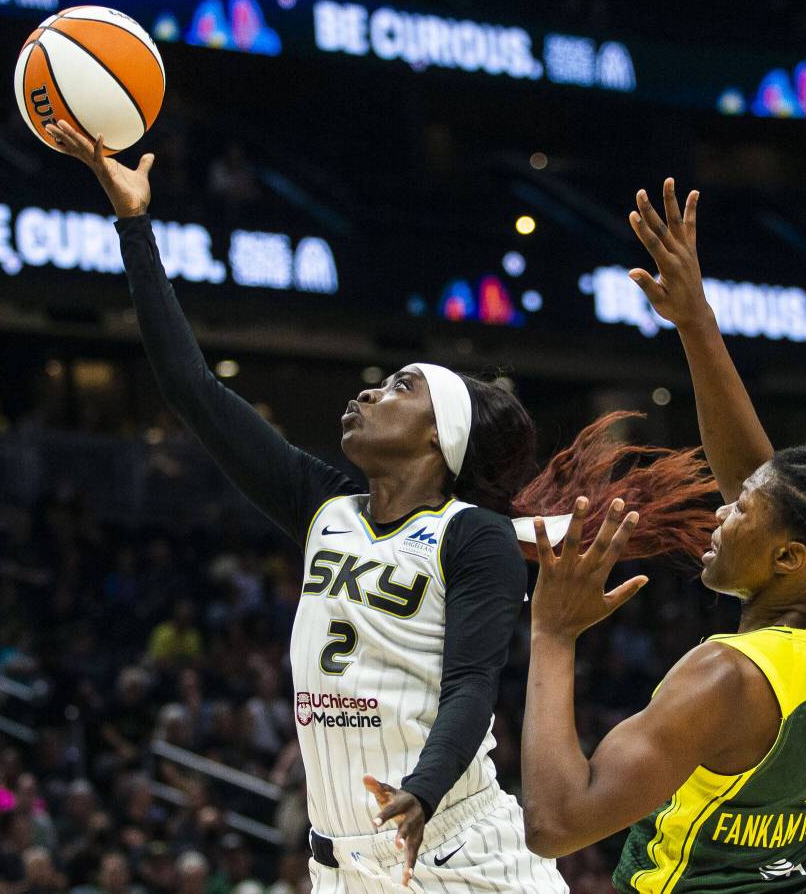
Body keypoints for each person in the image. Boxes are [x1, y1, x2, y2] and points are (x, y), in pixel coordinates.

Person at [48, 123, 717, 893]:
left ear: (441, 436)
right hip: (342, 867)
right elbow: (191, 390)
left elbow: (471, 687)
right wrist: (133, 221)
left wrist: (423, 790)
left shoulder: (473, 538)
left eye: (402, 386)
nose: (370, 391)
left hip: (462, 854)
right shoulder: (323, 506)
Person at [520, 179, 806, 892]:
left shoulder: (726, 677)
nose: (722, 510)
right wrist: (695, 323)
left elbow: (557, 825)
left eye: (740, 510)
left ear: (789, 559)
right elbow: (769, 486)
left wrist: (553, 634)